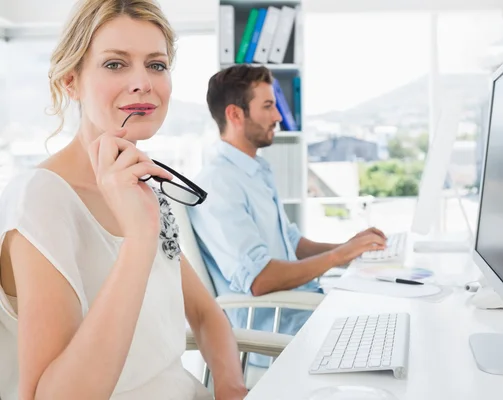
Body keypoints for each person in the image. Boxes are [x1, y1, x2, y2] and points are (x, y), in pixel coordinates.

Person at [0, 1, 247, 399]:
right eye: (115, 64)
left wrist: (232, 388)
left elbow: (205, 315)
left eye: (156, 64)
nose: (143, 82)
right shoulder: (41, 200)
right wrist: (138, 239)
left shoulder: (142, 186)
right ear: (70, 81)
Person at [187, 64, 387, 366]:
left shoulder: (256, 170)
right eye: (268, 106)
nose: (278, 116)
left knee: (387, 315)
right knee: (382, 332)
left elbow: (291, 241)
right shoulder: (218, 183)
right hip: (272, 330)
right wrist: (338, 256)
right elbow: (259, 279)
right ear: (235, 115)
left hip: (298, 310)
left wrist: (350, 248)